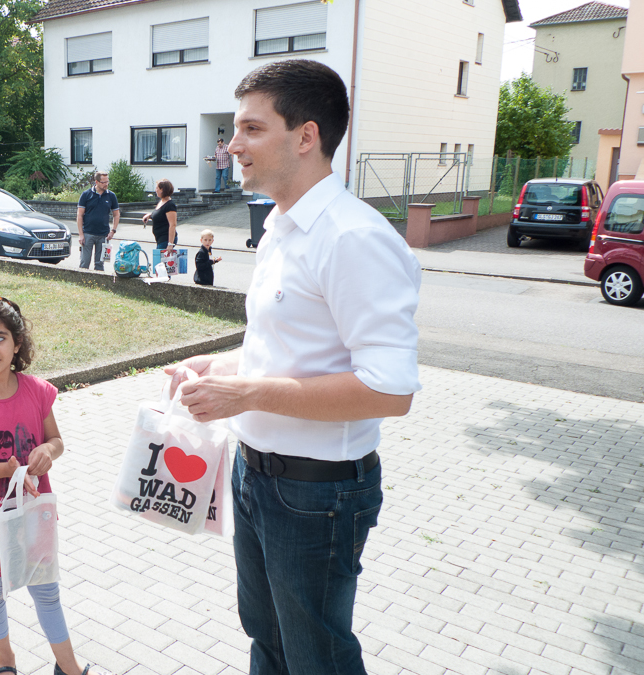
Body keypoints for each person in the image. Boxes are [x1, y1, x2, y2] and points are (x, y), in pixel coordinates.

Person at [165, 60, 422, 675]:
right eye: (234, 130)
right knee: (267, 638)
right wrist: (220, 367)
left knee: (316, 657)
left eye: (251, 129)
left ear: (305, 136)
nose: (232, 146)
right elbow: (284, 349)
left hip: (318, 492)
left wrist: (245, 393)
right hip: (255, 477)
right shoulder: (281, 225)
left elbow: (389, 390)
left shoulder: (353, 238)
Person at [0, 296, 108, 675]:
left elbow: (57, 441)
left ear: (17, 343)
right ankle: (5, 659)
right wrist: (6, 468)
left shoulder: (37, 391)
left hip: (34, 518)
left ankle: (68, 667)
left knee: (47, 592)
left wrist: (47, 453)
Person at [75, 172, 119, 271]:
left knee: (100, 263)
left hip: (104, 235)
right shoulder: (86, 194)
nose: (106, 184)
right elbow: (80, 215)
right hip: (88, 233)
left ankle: (99, 284)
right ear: (97, 182)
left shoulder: (111, 196)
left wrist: (113, 230)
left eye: (107, 182)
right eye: (103, 182)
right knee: (84, 262)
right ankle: (82, 283)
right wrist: (81, 234)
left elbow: (116, 214)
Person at [140, 179, 178, 252]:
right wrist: (149, 215)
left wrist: (170, 244)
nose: (155, 190)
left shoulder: (170, 205)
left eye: (157, 188)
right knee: (160, 262)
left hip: (166, 239)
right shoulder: (162, 201)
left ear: (162, 189)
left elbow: (172, 225)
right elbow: (160, 214)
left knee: (159, 262)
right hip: (160, 238)